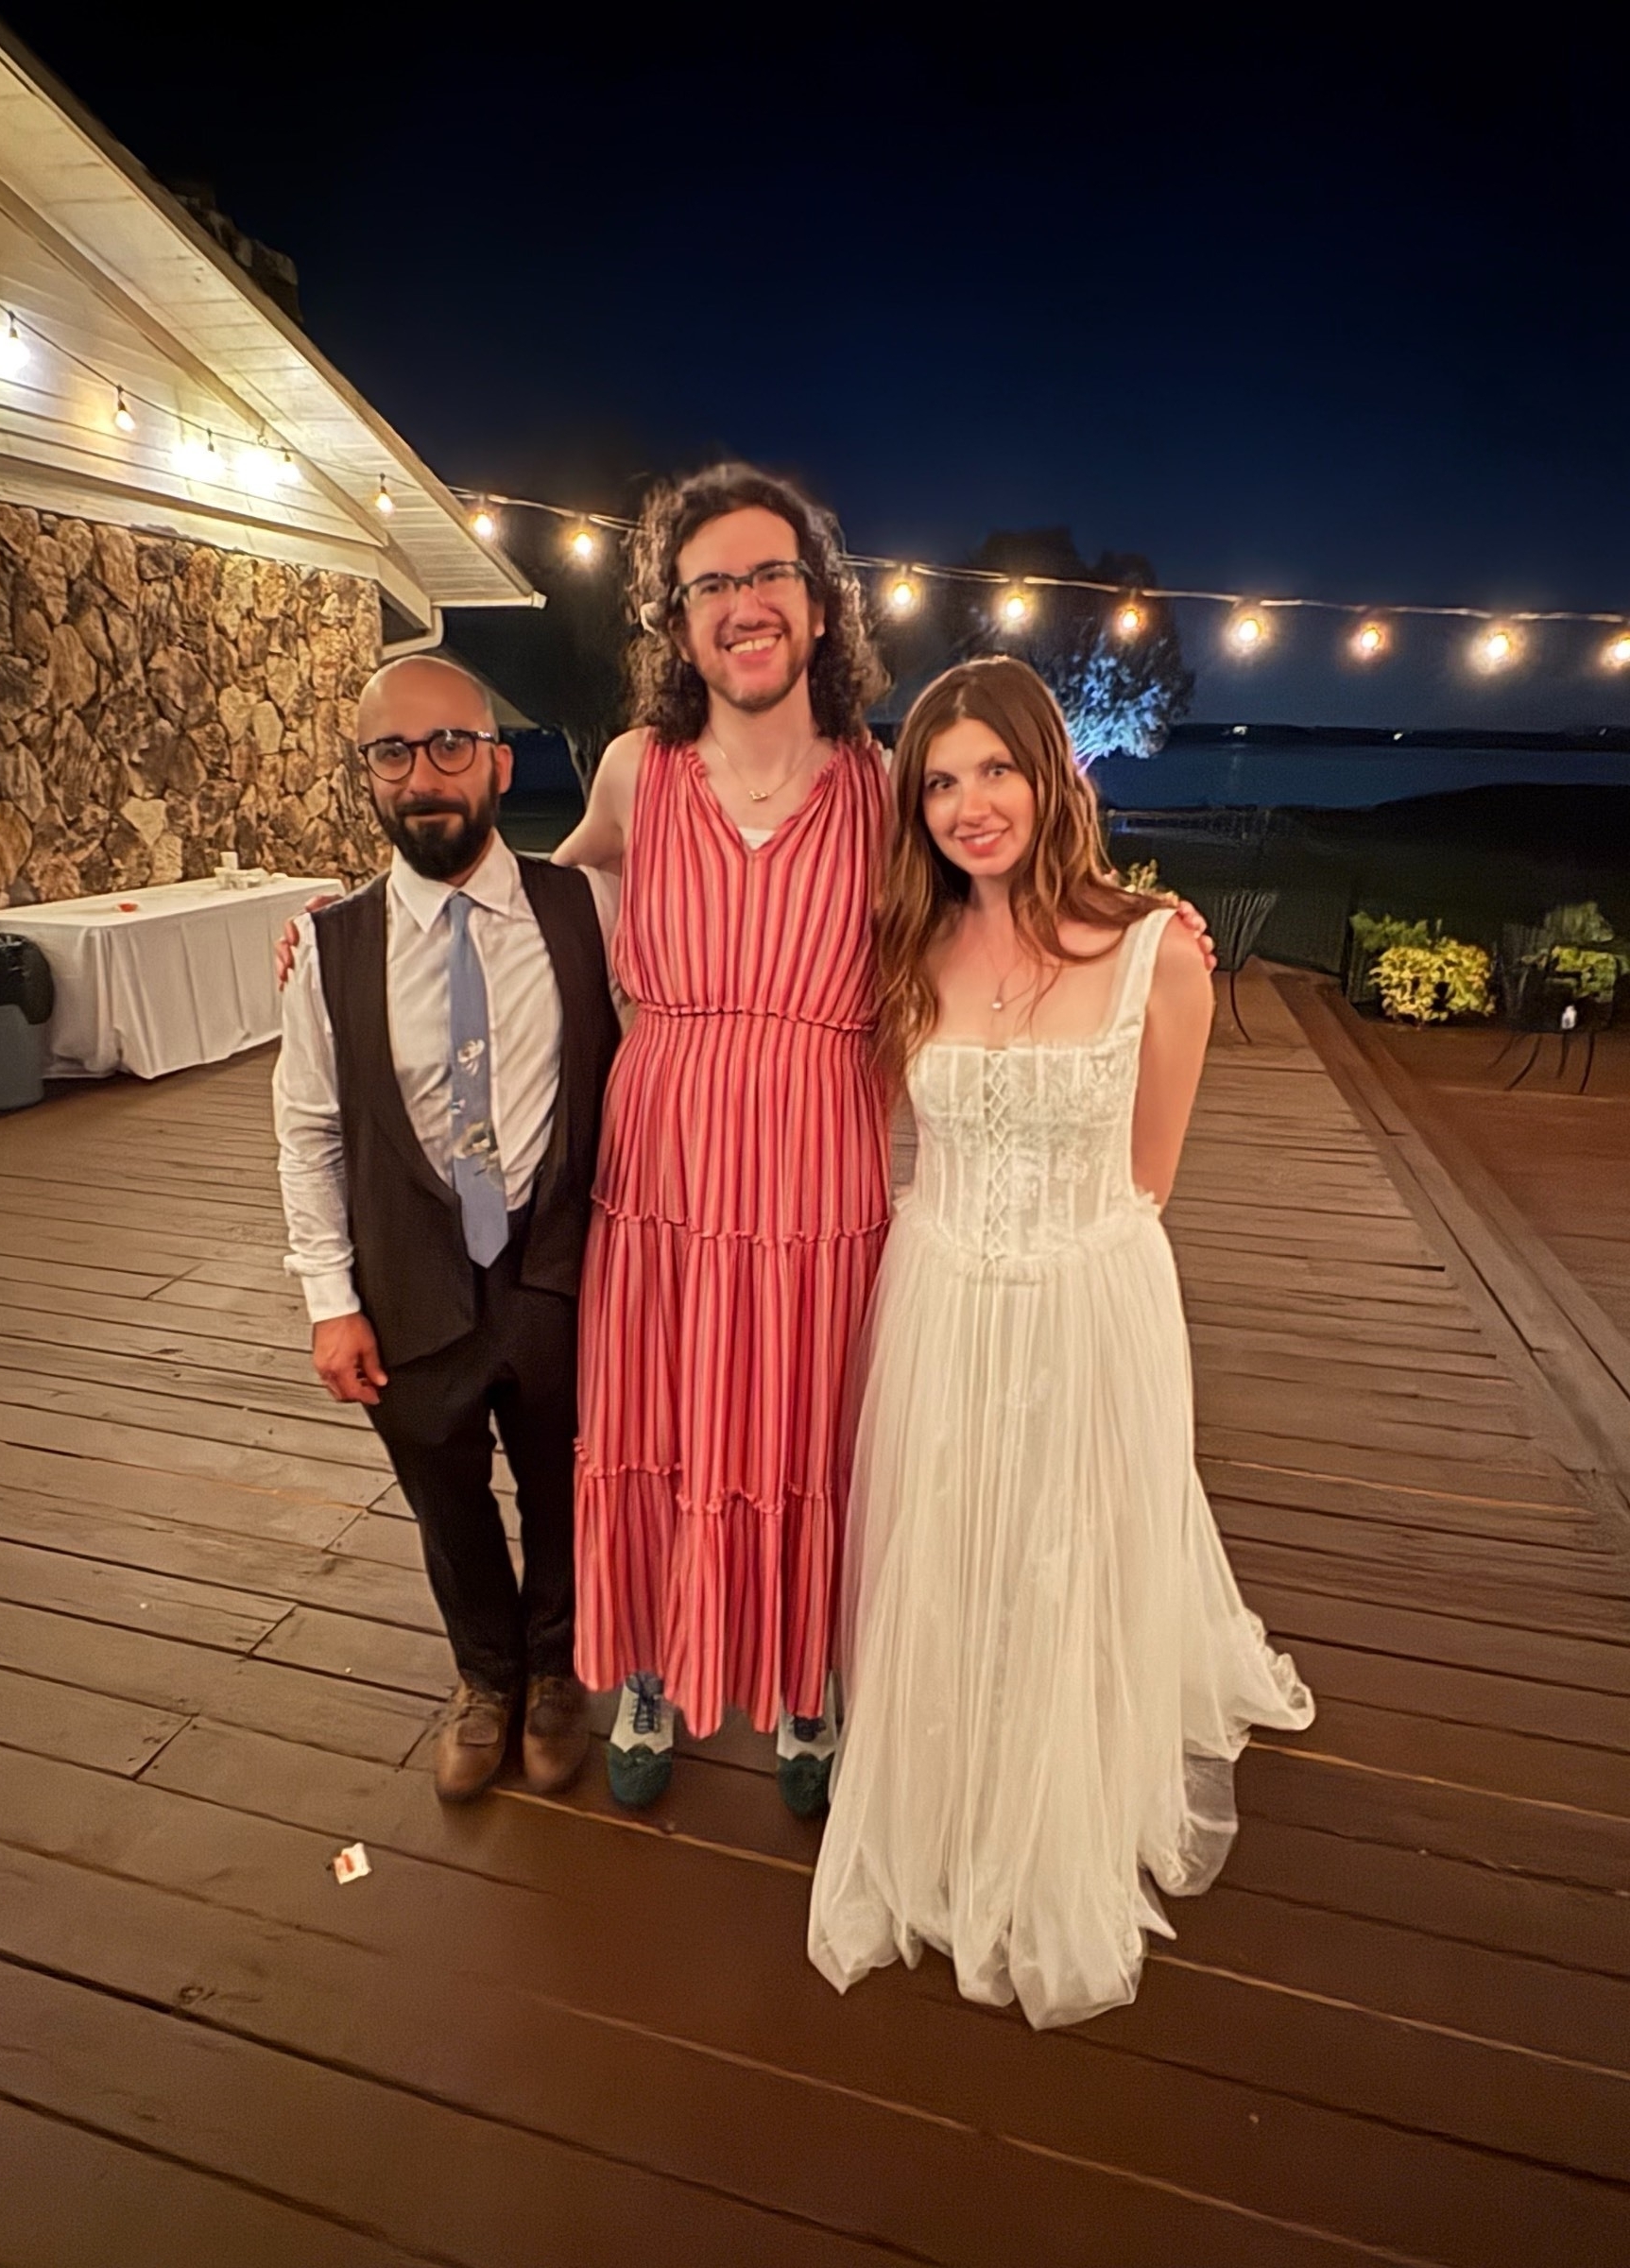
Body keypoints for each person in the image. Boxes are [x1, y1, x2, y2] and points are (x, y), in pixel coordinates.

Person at [808, 657, 1313, 2027]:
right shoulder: (901, 950)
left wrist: (1060, 1278)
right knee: (953, 1543)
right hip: (941, 1293)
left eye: (998, 769)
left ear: (1054, 778)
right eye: (942, 780)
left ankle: (1066, 1784)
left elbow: (1150, 1177)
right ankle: (952, 1775)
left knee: (1069, 1543)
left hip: (1090, 1294)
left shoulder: (1163, 952)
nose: (972, 804)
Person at [553, 465, 890, 1814]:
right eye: (712, 586)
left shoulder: (885, 777)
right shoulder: (640, 771)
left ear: (817, 606)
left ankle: (807, 1682)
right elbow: (546, 888)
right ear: (678, 620)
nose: (743, 606)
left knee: (809, 1427)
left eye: (769, 577)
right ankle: (647, 1662)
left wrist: (1143, 930)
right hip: (666, 1158)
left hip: (821, 1158)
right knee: (661, 1410)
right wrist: (366, 929)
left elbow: (1008, 880)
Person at [273, 653, 620, 1803]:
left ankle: (559, 1666)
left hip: (557, 1265)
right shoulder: (325, 953)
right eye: (392, 752)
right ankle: (484, 1677)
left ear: (498, 760)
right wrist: (330, 1300)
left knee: (567, 1483)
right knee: (446, 1496)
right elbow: (311, 1131)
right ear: (366, 775)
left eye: (450, 746)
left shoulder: (588, 910)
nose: (424, 775)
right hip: (409, 1282)